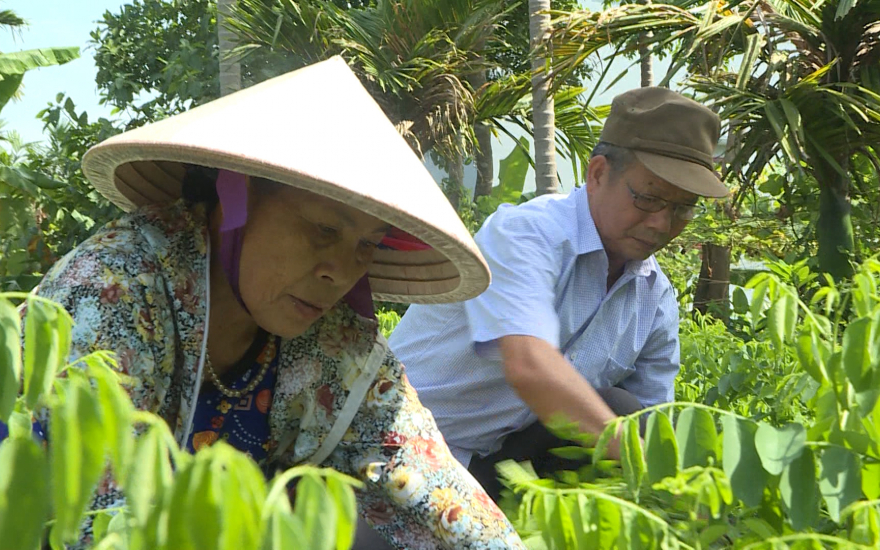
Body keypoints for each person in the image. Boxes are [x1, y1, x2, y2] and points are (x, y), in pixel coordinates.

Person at [9, 57, 526, 549]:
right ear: (239, 198)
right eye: (324, 229)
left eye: (367, 244)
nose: (340, 271)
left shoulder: (331, 342)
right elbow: (92, 520)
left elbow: (425, 478)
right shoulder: (116, 291)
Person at [388, 86, 728, 500]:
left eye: (682, 208)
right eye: (649, 198)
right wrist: (651, 473)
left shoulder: (653, 297)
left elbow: (655, 418)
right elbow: (531, 366)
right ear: (599, 172)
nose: (661, 223)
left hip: (499, 467)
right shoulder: (526, 235)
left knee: (626, 413)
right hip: (401, 447)